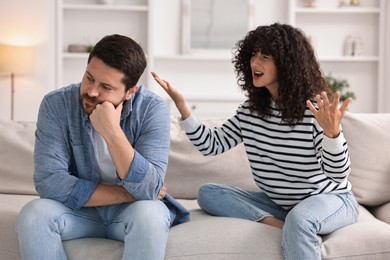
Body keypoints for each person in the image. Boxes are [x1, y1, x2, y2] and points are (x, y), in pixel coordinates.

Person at [152, 23, 359, 259]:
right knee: (209, 193)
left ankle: (296, 226)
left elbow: (338, 174)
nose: (255, 63)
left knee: (301, 219)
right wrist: (182, 107)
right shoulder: (251, 111)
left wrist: (332, 135)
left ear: (286, 63)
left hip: (330, 199)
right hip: (279, 206)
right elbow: (211, 144)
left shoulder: (315, 111)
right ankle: (276, 223)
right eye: (253, 54)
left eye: (265, 56)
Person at [16, 34, 189, 260]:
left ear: (130, 91)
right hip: (80, 213)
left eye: (106, 86)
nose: (92, 91)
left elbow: (148, 190)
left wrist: (112, 132)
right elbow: (49, 182)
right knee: (33, 215)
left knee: (150, 215)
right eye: (89, 78)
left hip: (132, 213)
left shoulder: (151, 109)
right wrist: (127, 193)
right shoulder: (56, 104)